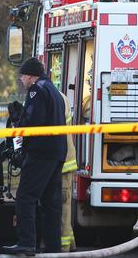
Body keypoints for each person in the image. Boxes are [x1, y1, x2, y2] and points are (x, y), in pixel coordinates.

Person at [3, 58, 67, 255]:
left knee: (25, 197)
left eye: (22, 76)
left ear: (30, 75)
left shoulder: (36, 89)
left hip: (41, 152)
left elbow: (33, 120)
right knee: (50, 202)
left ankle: (27, 243)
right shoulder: (54, 90)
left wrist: (19, 130)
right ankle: (52, 246)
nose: (22, 80)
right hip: (57, 152)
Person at [59, 93, 77, 252]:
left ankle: (63, 248)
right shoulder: (61, 97)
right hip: (65, 160)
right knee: (65, 205)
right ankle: (70, 243)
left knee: (63, 205)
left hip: (62, 162)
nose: (21, 80)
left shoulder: (52, 97)